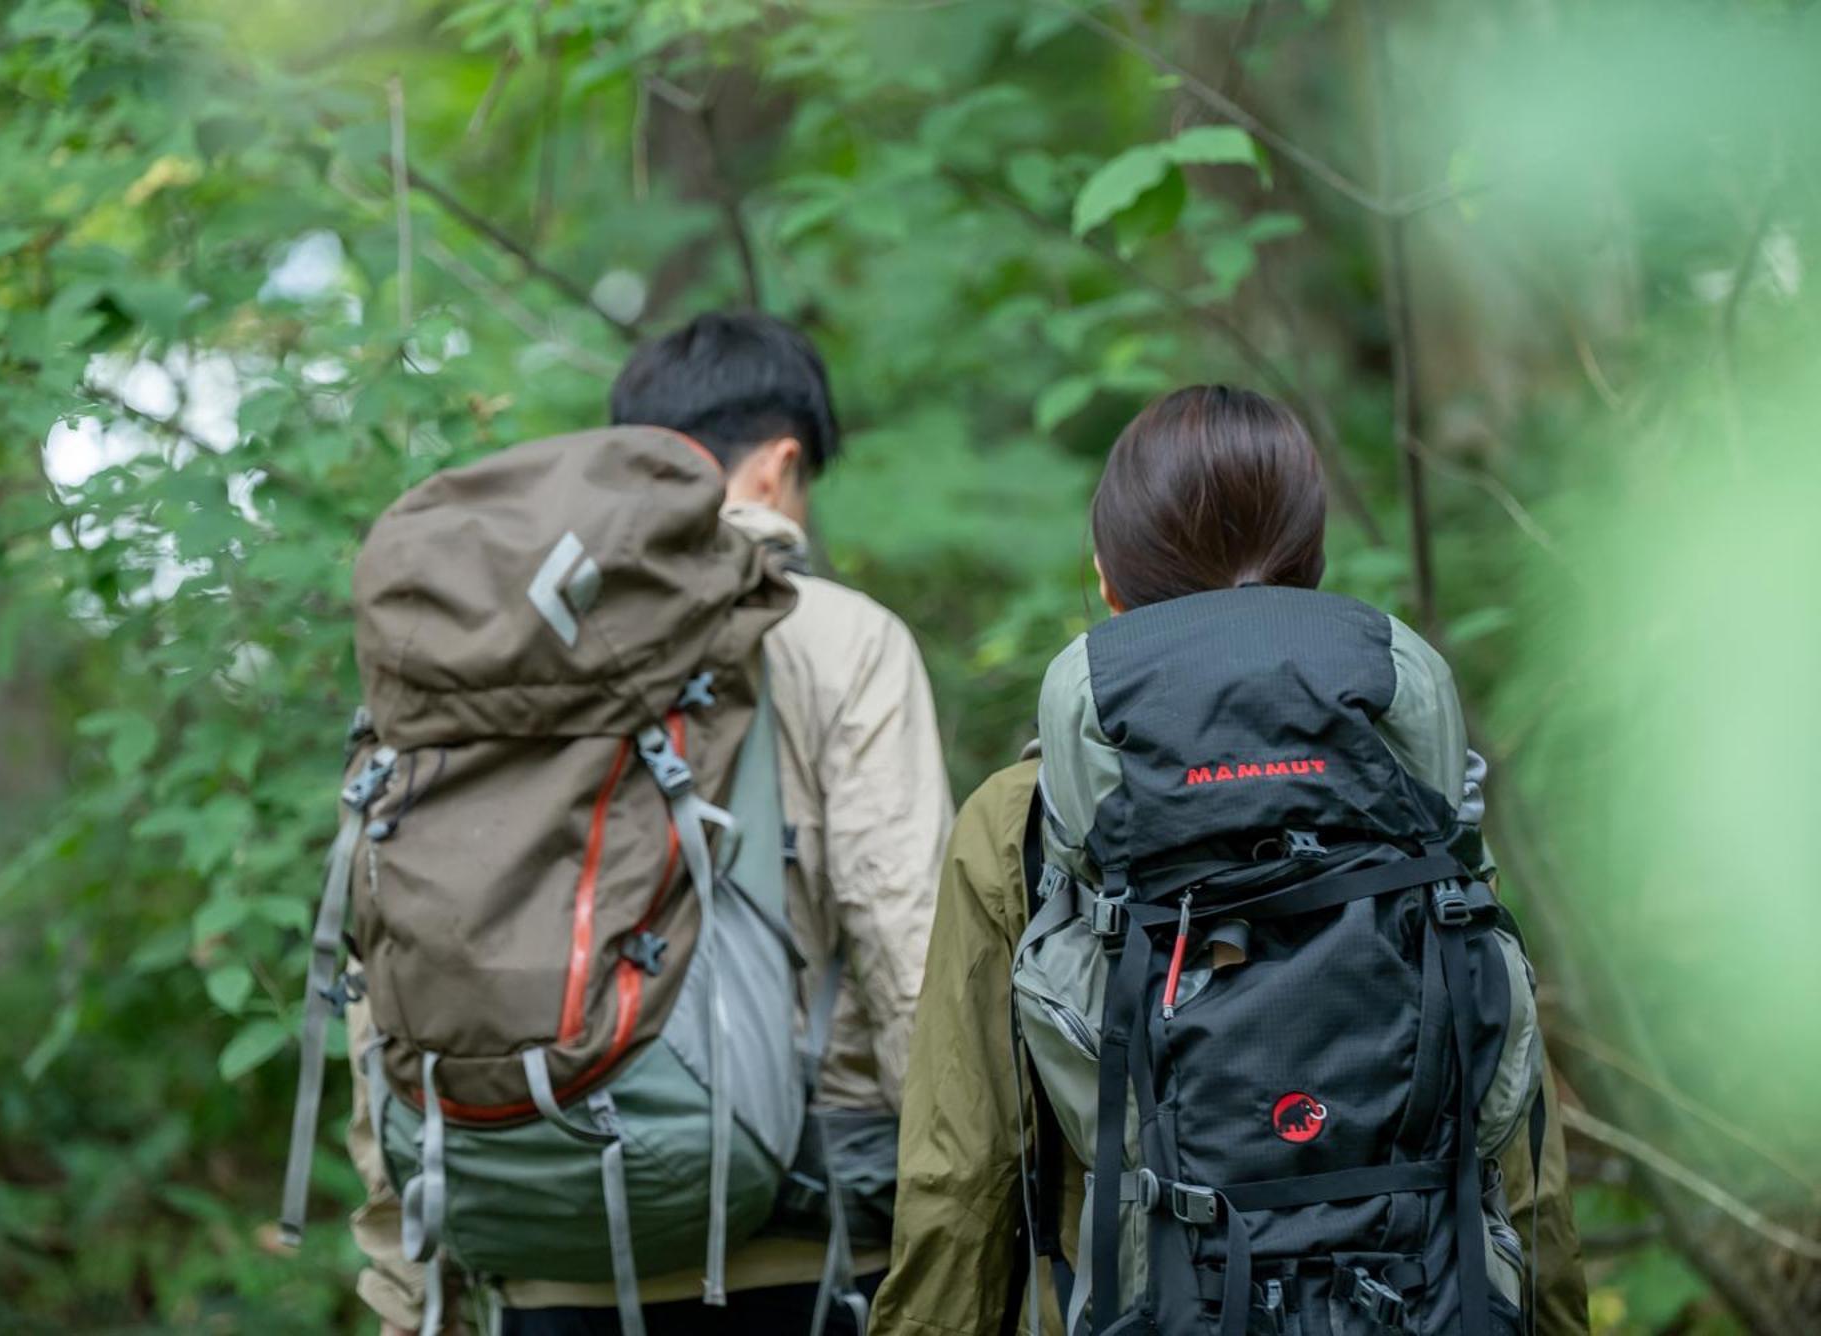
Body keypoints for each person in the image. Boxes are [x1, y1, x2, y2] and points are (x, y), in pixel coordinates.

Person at [870, 386, 1589, 1336]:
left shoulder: (1027, 819)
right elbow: (1510, 1141)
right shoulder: (1409, 791)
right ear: (1307, 569)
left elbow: (960, 1173)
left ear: (1109, 584)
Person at [343, 311, 954, 1334]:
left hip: (538, 1252)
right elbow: (908, 942)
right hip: (802, 1246)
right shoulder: (840, 638)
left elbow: (388, 974)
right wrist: (965, 1226)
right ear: (779, 465)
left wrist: (413, 1289)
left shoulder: (485, 649)